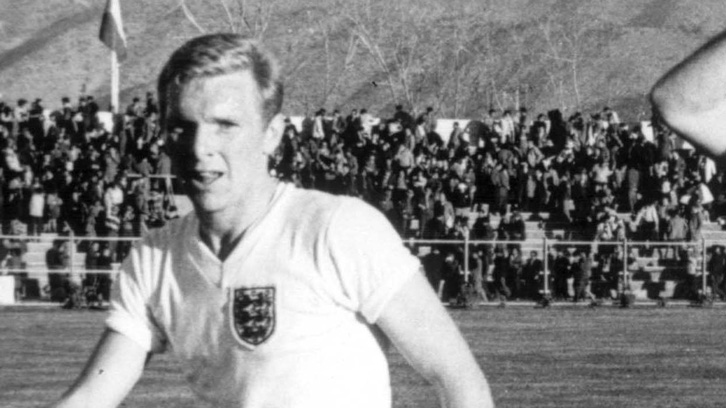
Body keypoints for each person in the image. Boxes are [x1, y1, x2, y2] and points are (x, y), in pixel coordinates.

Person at [51, 34, 493, 408]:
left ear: (272, 134)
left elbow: (458, 378)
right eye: (182, 126)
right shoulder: (154, 259)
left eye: (225, 124)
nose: (200, 146)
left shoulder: (337, 229)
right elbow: (92, 396)